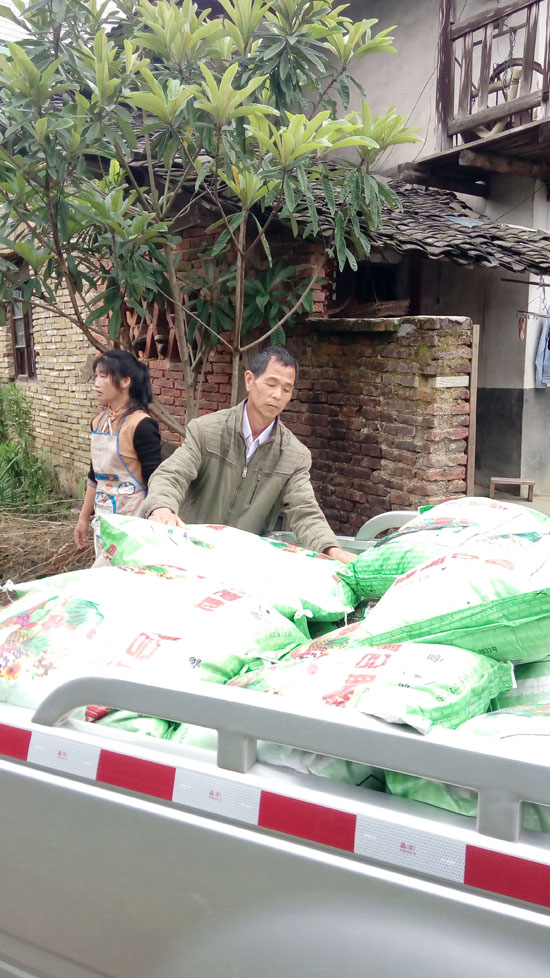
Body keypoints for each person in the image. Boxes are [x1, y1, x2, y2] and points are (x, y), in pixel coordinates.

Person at [142, 346, 353, 562]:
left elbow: (305, 509)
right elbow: (172, 474)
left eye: (286, 389)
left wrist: (331, 549)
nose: (277, 395)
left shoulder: (294, 455)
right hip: (187, 551)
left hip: (241, 562)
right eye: (271, 384)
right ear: (249, 380)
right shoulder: (206, 431)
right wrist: (162, 508)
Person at [74, 349, 162, 553]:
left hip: (134, 523)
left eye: (103, 376)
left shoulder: (141, 425)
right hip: (105, 519)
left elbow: (156, 479)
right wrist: (83, 518)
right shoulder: (98, 423)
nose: (96, 383)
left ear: (125, 381)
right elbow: (94, 476)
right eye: (96, 376)